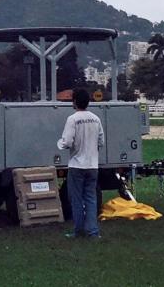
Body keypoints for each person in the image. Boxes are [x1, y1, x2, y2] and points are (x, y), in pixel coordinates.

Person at [57, 88, 105, 239]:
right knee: (91, 198)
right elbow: (101, 141)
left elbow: (67, 142)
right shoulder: (96, 118)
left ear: (75, 101)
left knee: (76, 199)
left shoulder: (72, 119)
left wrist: (60, 143)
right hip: (92, 165)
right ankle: (93, 232)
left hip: (77, 165)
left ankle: (78, 230)